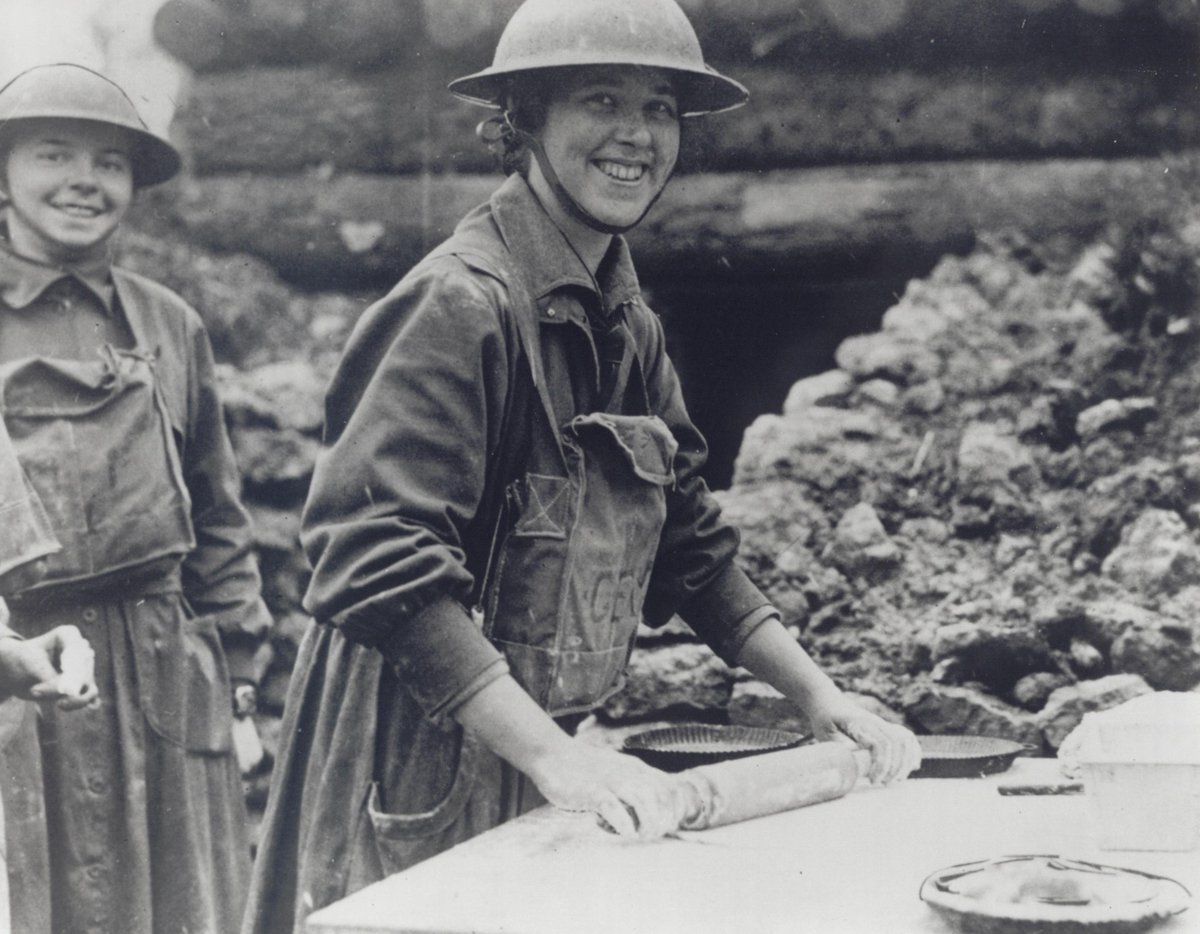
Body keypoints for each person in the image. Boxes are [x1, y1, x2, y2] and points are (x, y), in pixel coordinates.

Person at [244, 1, 921, 930]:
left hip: (532, 743)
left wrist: (818, 700)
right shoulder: (460, 302)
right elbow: (375, 555)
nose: (635, 136)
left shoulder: (626, 323)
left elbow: (686, 536)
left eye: (660, 109)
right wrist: (558, 760)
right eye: (601, 100)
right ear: (523, 119)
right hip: (407, 735)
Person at [0, 63, 272, 934]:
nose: (84, 180)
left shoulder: (167, 324)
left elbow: (218, 518)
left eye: (109, 163)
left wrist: (237, 693)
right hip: (21, 679)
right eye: (54, 153)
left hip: (164, 677)